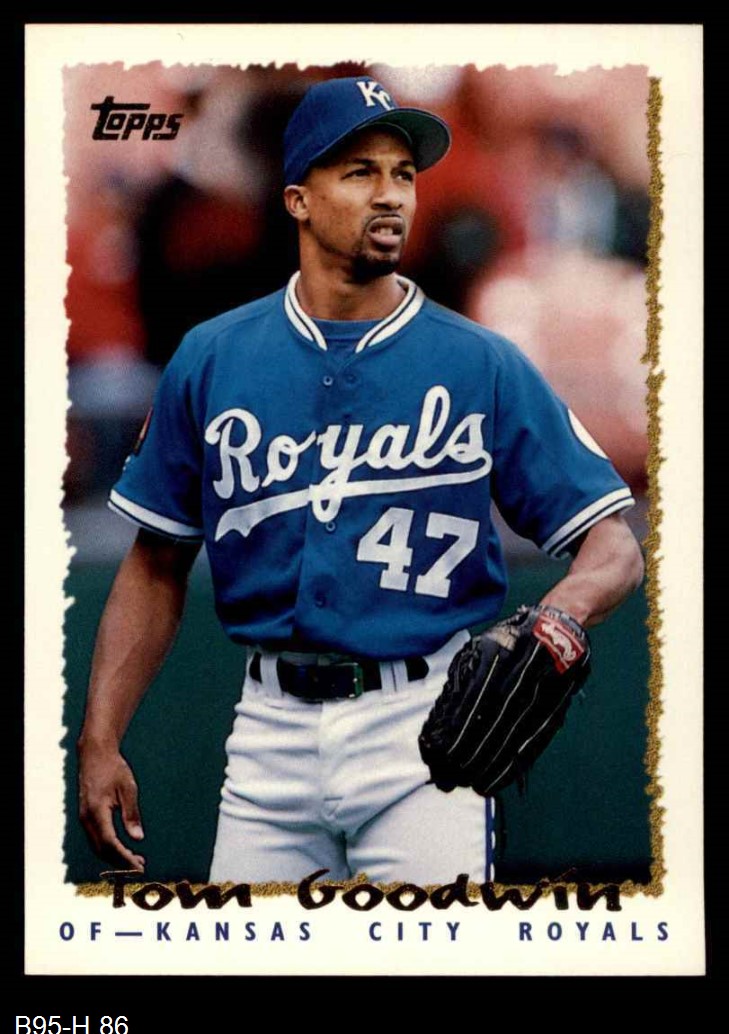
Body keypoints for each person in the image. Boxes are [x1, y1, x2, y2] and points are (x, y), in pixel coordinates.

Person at [77, 76, 645, 885]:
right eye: (360, 172)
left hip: (424, 726)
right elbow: (154, 562)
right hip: (268, 729)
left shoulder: (477, 361)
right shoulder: (213, 358)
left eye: (402, 174)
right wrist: (100, 740)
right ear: (299, 200)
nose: (390, 195)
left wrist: (557, 618)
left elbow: (612, 547)